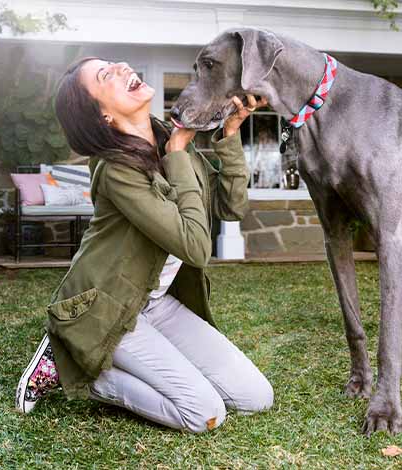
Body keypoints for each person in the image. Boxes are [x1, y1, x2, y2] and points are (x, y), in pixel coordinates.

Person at [15, 57, 273, 433]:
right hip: (105, 307)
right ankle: (82, 367)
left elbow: (229, 206)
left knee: (256, 397)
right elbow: (195, 245)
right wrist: (178, 154)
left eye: (114, 63)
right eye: (106, 75)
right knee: (204, 414)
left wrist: (229, 134)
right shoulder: (117, 170)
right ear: (101, 115)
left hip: (156, 302)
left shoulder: (168, 139)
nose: (122, 66)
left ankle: (102, 357)